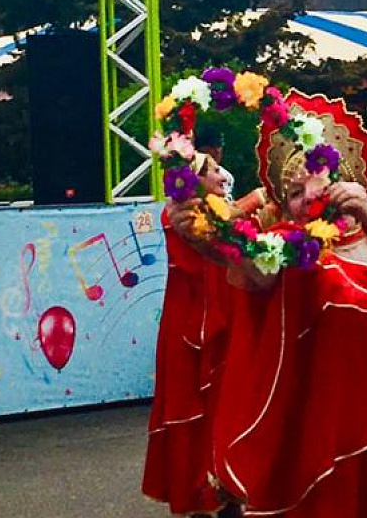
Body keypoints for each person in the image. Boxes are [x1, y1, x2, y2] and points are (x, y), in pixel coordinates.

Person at [168, 90, 367, 518]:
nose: (307, 195)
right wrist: (203, 232)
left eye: (317, 179)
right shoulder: (289, 251)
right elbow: (250, 261)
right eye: (294, 191)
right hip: (325, 439)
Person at [143, 153, 242, 518]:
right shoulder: (184, 215)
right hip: (192, 323)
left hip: (222, 314)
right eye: (212, 170)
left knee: (227, 405)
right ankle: (200, 495)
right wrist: (263, 197)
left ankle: (229, 489)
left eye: (219, 166)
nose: (222, 173)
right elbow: (225, 227)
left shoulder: (217, 208)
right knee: (195, 408)